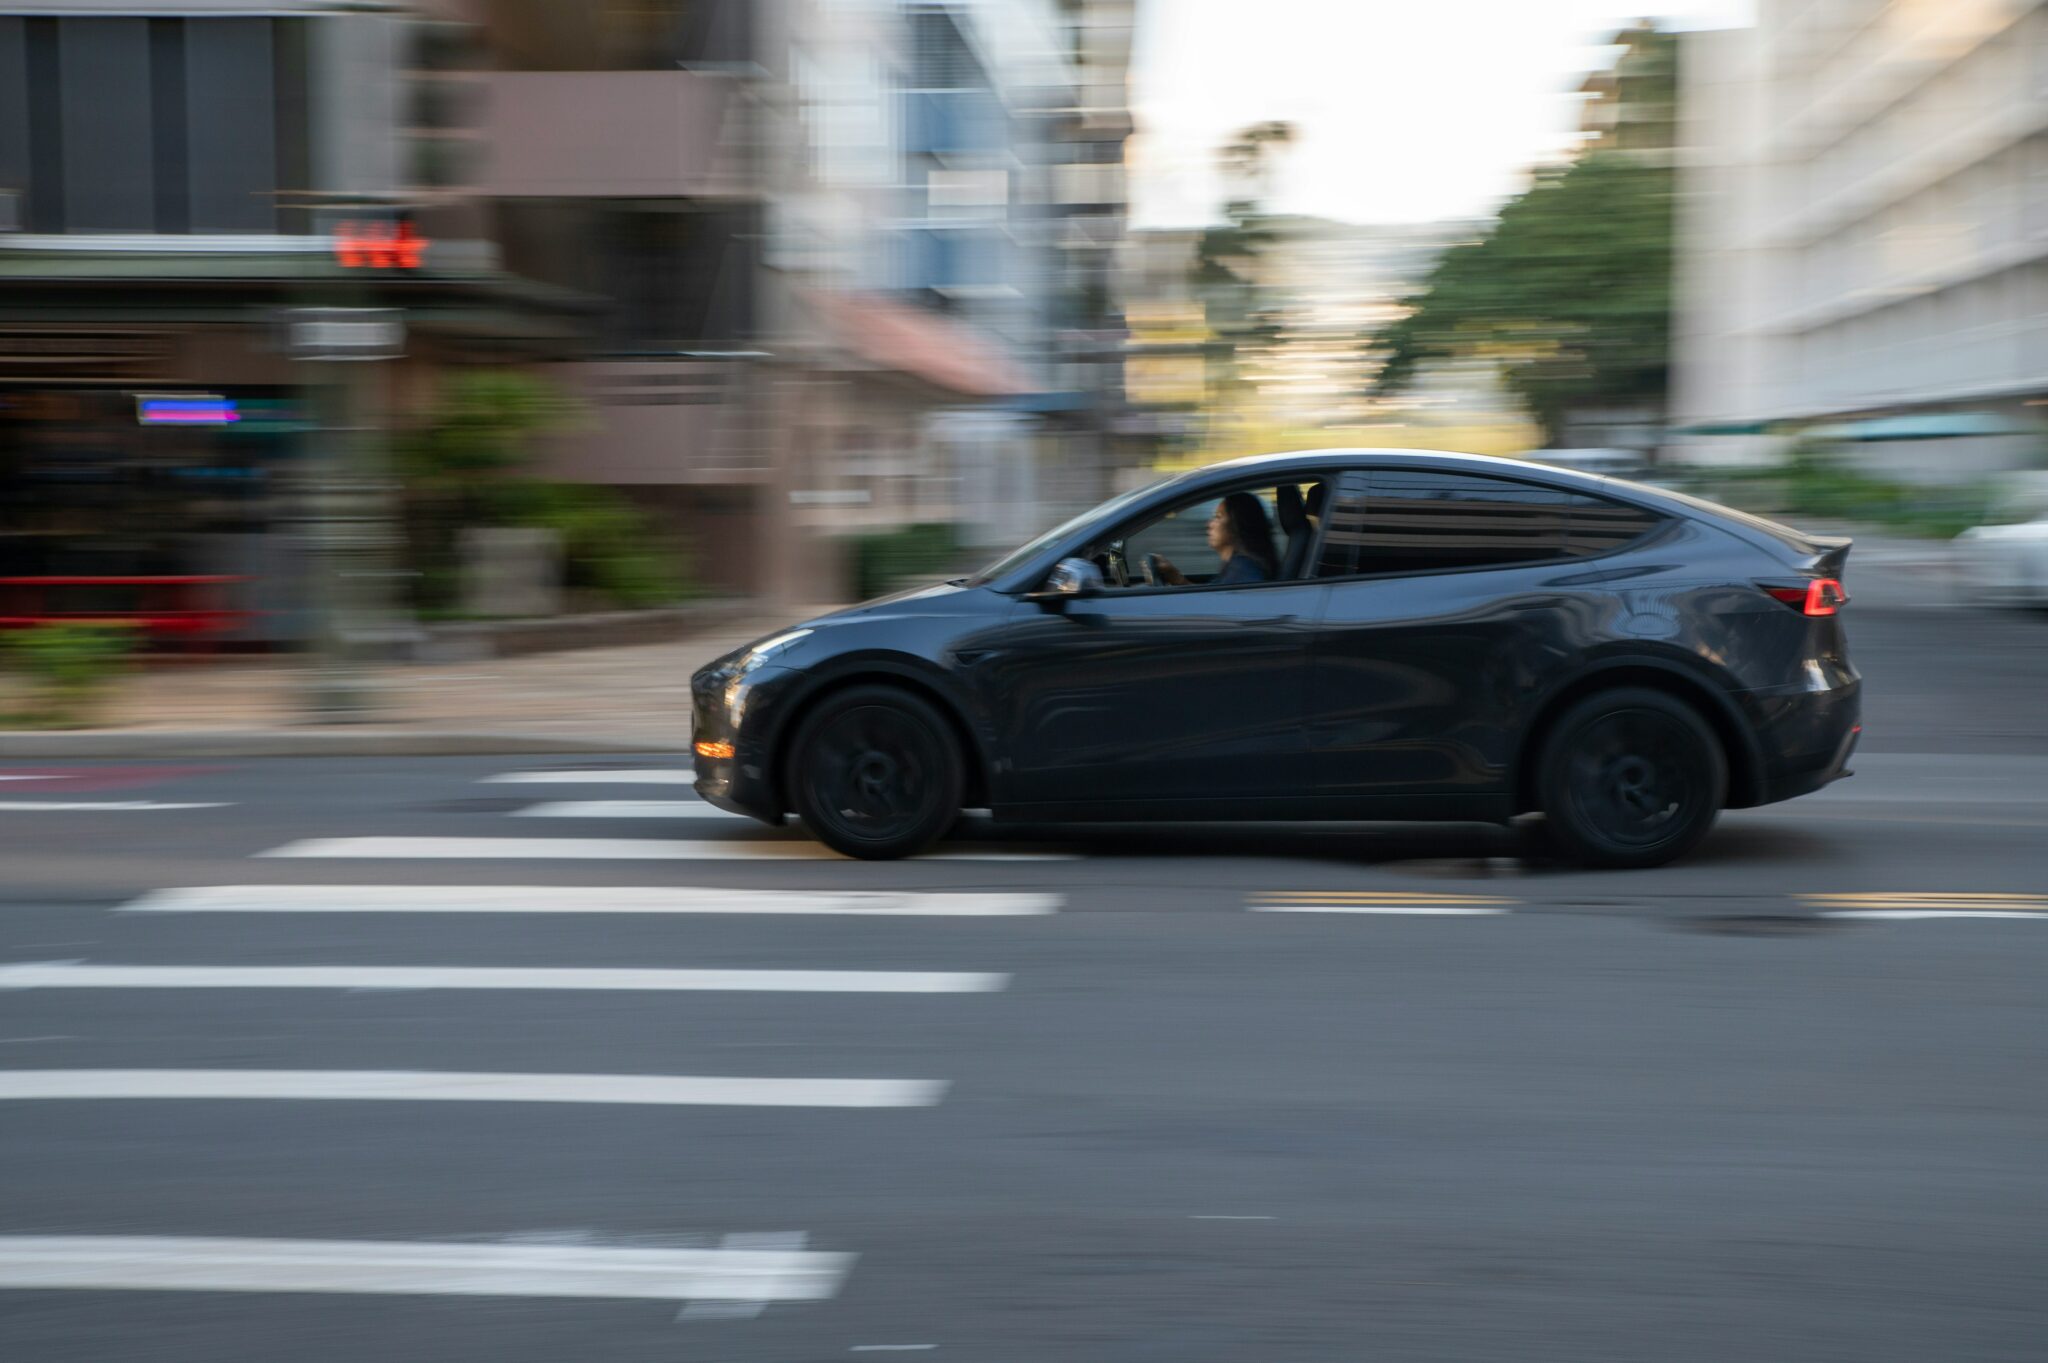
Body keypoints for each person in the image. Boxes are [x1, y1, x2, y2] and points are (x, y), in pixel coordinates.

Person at [1151, 491, 1280, 587]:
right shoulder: (1235, 566)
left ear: (1237, 524)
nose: (1209, 524)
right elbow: (1210, 600)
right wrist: (1177, 579)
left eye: (1218, 517)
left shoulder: (1244, 569)